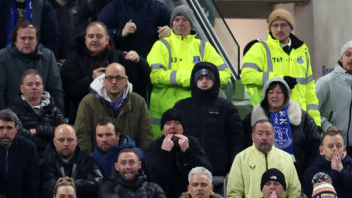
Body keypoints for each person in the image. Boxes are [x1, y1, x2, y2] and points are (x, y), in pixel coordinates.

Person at [146, 6, 227, 137]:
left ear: (191, 23)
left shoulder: (202, 47)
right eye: (176, 19)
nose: (180, 23)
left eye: (184, 19)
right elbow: (155, 76)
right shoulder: (161, 45)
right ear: (172, 23)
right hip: (165, 112)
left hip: (196, 110)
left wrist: (206, 81)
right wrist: (189, 79)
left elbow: (224, 74)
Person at [240, 8, 319, 124]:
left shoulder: (302, 51)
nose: (279, 29)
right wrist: (280, 79)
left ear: (291, 27)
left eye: (283, 25)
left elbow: (310, 91)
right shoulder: (260, 49)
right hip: (269, 117)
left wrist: (315, 122)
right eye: (275, 25)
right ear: (270, 28)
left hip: (298, 120)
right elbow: (246, 75)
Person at [175, 61, 244, 178]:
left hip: (220, 173)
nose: (204, 81)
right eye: (200, 78)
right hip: (187, 172)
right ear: (194, 80)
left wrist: (233, 168)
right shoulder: (181, 107)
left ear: (215, 80)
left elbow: (237, 141)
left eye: (208, 78)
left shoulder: (226, 108)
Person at [60, 20, 141, 116]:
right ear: (85, 39)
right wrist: (91, 79)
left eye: (99, 36)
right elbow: (70, 91)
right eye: (90, 36)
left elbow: (139, 81)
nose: (94, 40)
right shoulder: (73, 60)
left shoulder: (119, 56)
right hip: (84, 115)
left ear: (107, 39)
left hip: (118, 115)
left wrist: (139, 61)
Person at [225, 120, 302, 198]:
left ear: (274, 137)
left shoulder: (286, 158)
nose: (264, 137)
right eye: (260, 133)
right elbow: (234, 194)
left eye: (268, 133)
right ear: (253, 137)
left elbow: (294, 191)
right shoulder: (241, 158)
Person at [315, 40, 352, 166]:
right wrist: (326, 126)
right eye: (348, 54)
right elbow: (310, 110)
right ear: (341, 58)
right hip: (332, 145)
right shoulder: (326, 82)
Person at [73, 62, 152, 153]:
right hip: (97, 161)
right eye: (110, 78)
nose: (114, 82)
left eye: (118, 78)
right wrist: (87, 163)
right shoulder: (88, 102)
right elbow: (83, 136)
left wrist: (140, 160)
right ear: (104, 80)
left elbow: (146, 136)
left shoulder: (139, 102)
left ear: (126, 80)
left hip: (129, 162)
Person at [251, 78, 321, 177]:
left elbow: (314, 146)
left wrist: (307, 172)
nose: (274, 96)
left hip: (297, 175)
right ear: (265, 95)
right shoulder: (256, 116)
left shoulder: (301, 116)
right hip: (261, 175)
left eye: (279, 92)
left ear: (286, 95)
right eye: (271, 92)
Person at [0, 21, 63, 114]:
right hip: (12, 118)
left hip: (44, 117)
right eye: (23, 38)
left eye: (31, 38)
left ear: (37, 41)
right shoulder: (1, 57)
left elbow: (56, 90)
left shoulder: (48, 56)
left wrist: (58, 117)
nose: (27, 42)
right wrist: (5, 120)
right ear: (15, 41)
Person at [144, 108, 210, 198]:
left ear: (183, 128)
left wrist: (188, 152)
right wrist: (165, 153)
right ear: (162, 129)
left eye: (177, 123)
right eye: (168, 123)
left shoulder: (193, 143)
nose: (172, 127)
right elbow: (154, 178)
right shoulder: (155, 146)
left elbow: (206, 170)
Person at [40, 123, 103, 198]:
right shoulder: (46, 162)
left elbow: (97, 183)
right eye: (61, 140)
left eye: (70, 140)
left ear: (76, 141)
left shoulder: (87, 160)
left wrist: (70, 184)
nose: (65, 144)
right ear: (54, 142)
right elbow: (47, 189)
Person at [10, 69, 67, 155]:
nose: (34, 87)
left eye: (38, 84)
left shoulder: (53, 109)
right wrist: (50, 143)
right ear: (22, 89)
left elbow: (64, 131)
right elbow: (20, 136)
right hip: (26, 155)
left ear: (42, 88)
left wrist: (39, 130)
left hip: (53, 157)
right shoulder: (13, 111)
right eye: (29, 84)